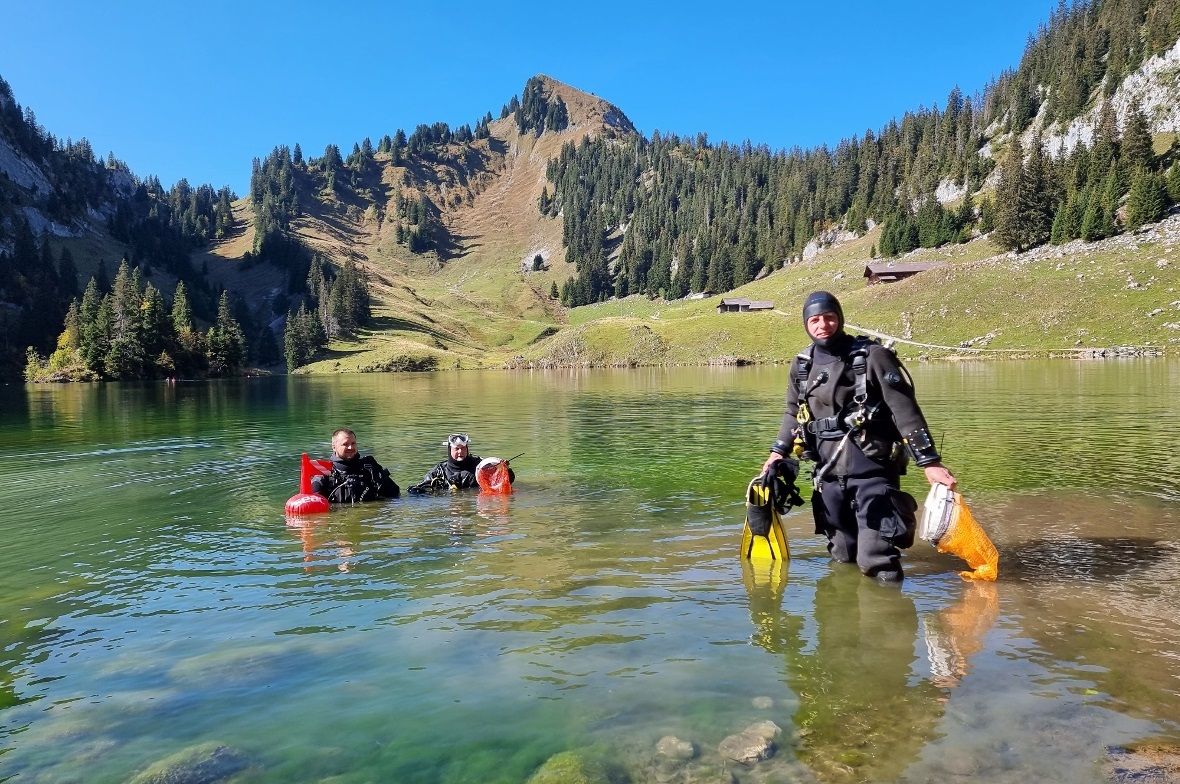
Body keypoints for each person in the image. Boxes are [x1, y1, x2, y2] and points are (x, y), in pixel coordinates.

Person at [761, 291, 956, 584]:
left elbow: (905, 410)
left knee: (876, 558)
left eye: (829, 317)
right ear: (806, 324)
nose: (822, 325)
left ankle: (887, 615)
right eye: (814, 320)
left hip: (873, 472)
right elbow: (793, 413)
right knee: (842, 553)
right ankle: (843, 625)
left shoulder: (872, 356)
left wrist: (929, 462)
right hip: (826, 476)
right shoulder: (801, 365)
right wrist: (778, 452)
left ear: (839, 318)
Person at [311, 428, 400, 503]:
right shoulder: (324, 472)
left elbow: (395, 495)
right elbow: (312, 504)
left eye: (353, 443)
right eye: (345, 444)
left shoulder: (369, 468)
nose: (350, 447)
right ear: (334, 447)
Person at [410, 433, 515, 493]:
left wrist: (505, 472)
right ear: (449, 450)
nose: (460, 452)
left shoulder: (479, 466)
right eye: (456, 449)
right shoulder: (439, 471)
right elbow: (421, 487)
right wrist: (416, 491)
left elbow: (501, 481)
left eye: (463, 448)